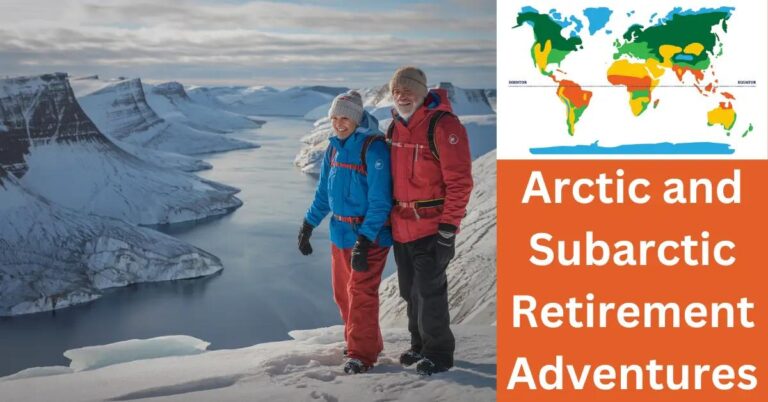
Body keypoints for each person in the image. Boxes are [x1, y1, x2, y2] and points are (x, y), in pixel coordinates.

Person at [386, 66, 473, 375]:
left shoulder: (443, 126)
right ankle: (419, 344)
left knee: (429, 289)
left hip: (432, 226)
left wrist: (448, 229)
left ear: (423, 93)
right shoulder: (395, 127)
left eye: (408, 90)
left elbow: (460, 181)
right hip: (402, 225)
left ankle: (439, 353)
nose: (402, 96)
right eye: (397, 91)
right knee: (409, 289)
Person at [298, 90, 393, 374]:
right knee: (344, 295)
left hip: (368, 236)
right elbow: (324, 194)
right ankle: (363, 343)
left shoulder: (373, 148)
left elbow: (381, 201)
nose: (339, 123)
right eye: (335, 118)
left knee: (360, 293)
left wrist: (365, 240)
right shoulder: (333, 148)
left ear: (357, 118)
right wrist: (308, 224)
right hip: (340, 233)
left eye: (345, 118)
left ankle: (361, 355)